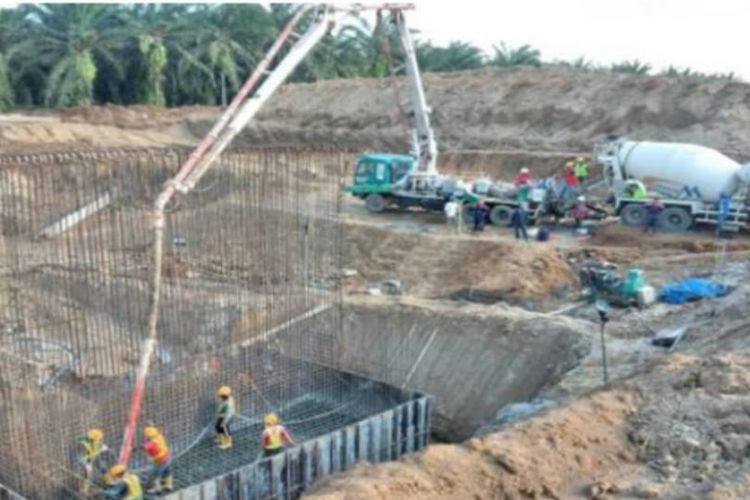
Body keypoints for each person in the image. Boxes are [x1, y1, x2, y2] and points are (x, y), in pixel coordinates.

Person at [78, 428, 109, 495]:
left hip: (93, 460)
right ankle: (85, 490)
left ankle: (104, 483)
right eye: (98, 438)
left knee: (103, 468)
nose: (99, 439)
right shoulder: (86, 443)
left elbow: (104, 448)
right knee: (88, 475)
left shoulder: (97, 443)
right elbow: (86, 455)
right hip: (87, 461)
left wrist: (102, 450)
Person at [143, 425, 173, 493]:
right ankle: (169, 486)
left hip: (160, 461)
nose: (145, 436)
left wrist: (152, 458)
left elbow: (145, 447)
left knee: (156, 475)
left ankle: (157, 488)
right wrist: (151, 425)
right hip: (168, 457)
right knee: (167, 472)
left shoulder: (152, 443)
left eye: (146, 435)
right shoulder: (159, 436)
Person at [215, 386, 235, 450]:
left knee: (224, 428)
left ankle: (228, 442)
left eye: (221, 396)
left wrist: (224, 421)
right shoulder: (226, 400)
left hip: (226, 417)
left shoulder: (228, 403)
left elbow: (228, 413)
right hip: (222, 416)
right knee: (217, 426)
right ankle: (221, 439)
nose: (219, 397)